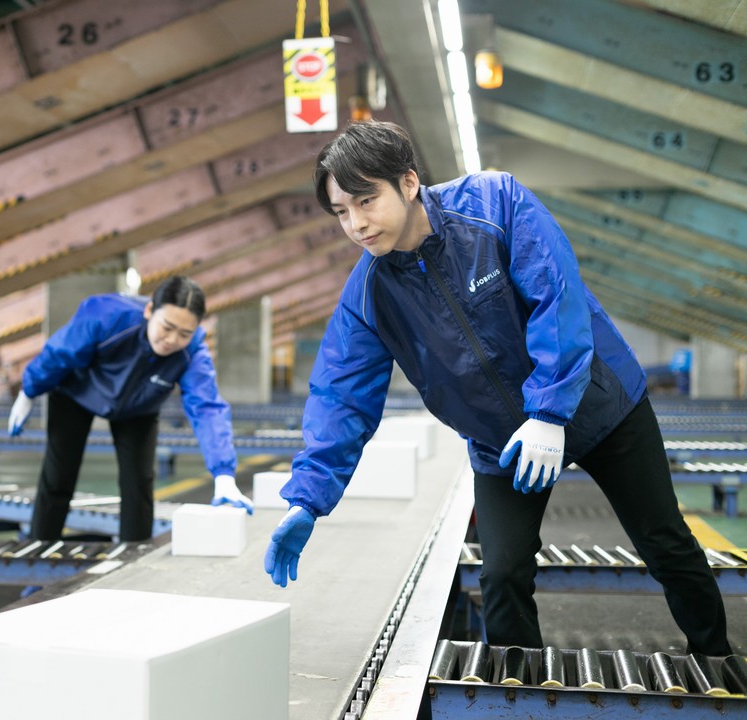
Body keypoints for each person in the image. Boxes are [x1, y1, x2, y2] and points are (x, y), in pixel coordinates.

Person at [263, 120, 732, 656]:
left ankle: (716, 658)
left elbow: (556, 297)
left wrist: (551, 413)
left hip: (601, 406)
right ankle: (519, 694)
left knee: (665, 543)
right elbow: (340, 395)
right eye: (342, 212)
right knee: (503, 575)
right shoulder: (369, 294)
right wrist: (307, 498)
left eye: (366, 201)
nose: (357, 225)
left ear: (409, 183)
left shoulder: (493, 204)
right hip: (500, 440)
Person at [9, 275, 253, 545]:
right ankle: (39, 554)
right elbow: (59, 353)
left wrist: (223, 474)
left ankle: (133, 560)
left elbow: (207, 408)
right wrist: (28, 390)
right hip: (76, 393)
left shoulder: (192, 353)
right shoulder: (106, 317)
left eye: (185, 333)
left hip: (138, 408)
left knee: (139, 485)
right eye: (167, 327)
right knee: (57, 478)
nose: (172, 340)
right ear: (149, 311)